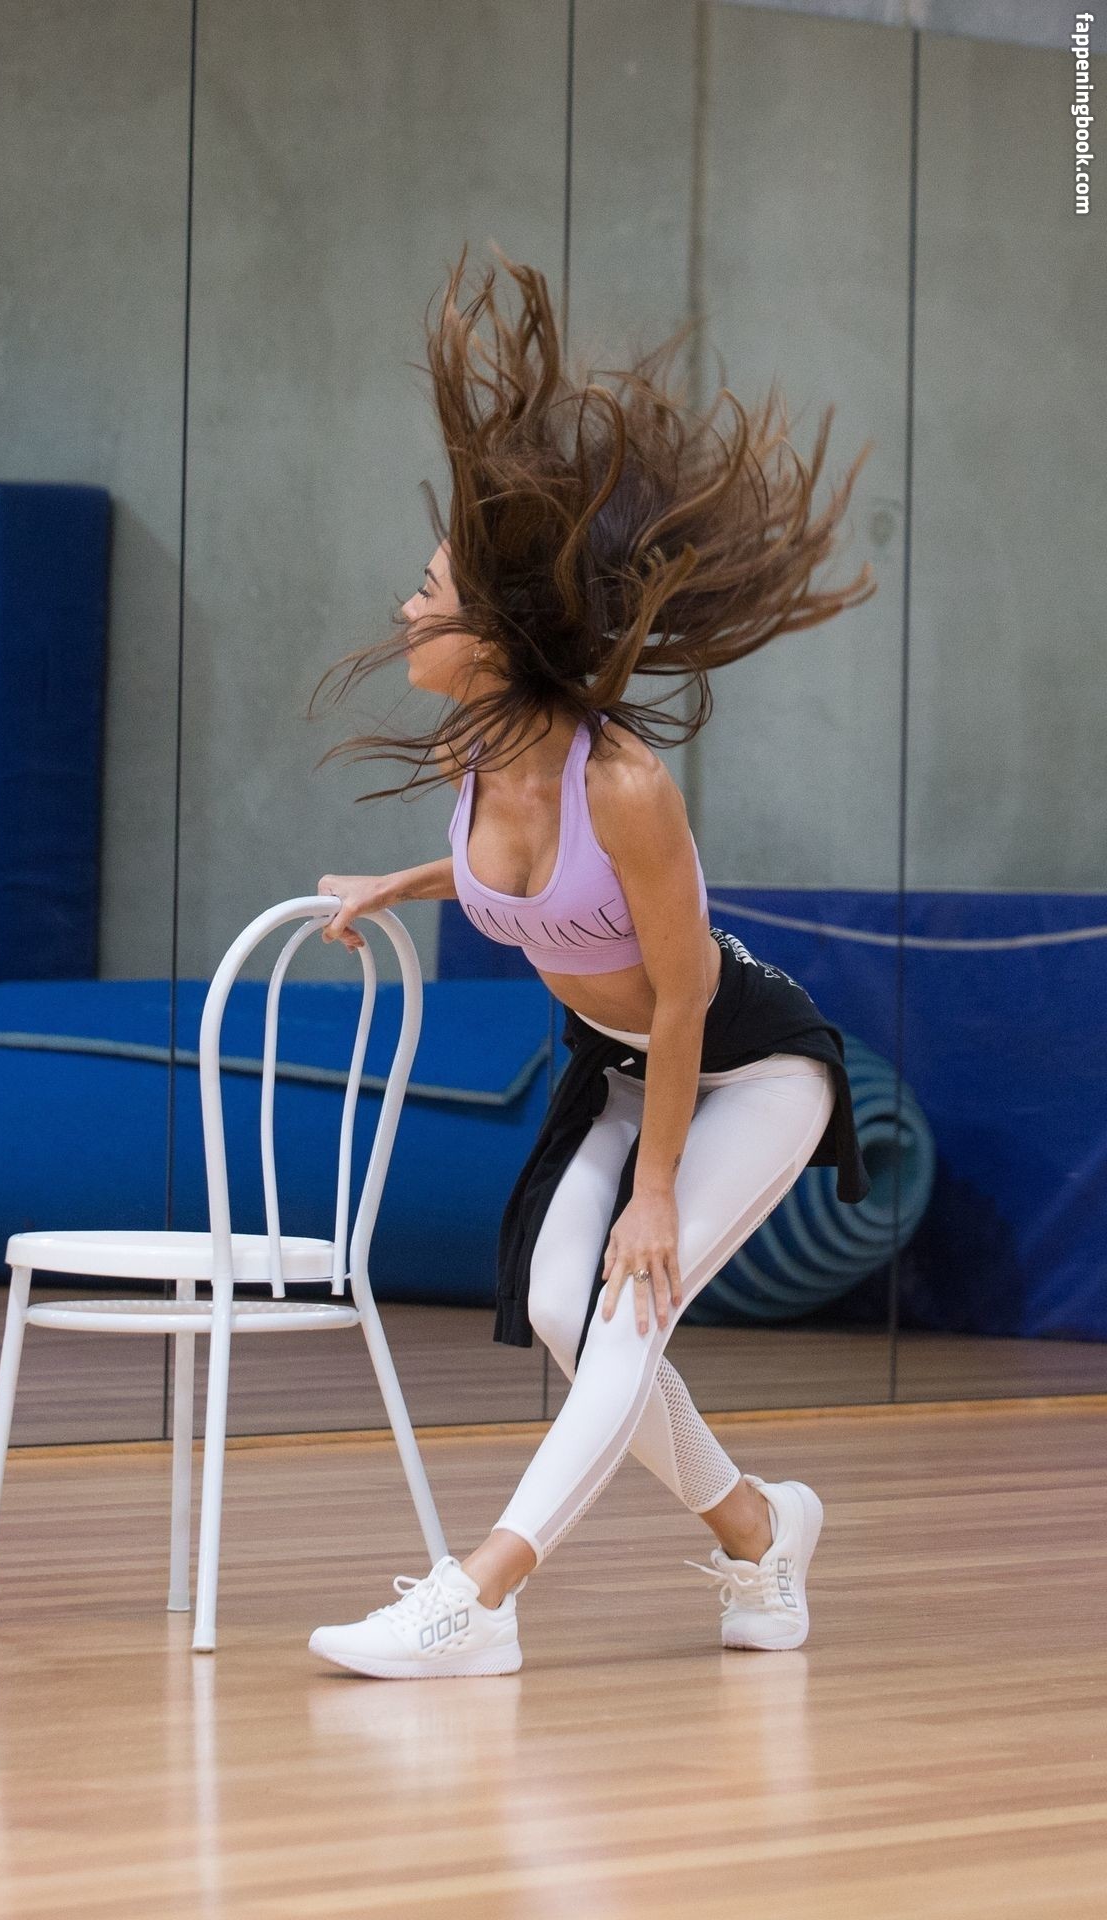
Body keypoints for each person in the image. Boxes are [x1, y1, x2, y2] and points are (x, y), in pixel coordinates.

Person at [302, 246, 875, 1679]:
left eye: (429, 590)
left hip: (747, 1067)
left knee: (626, 1308)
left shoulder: (623, 783)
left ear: (493, 637)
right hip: (618, 1067)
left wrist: (658, 1191)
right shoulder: (473, 745)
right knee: (566, 1308)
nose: (408, 606)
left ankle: (478, 1599)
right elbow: (518, 883)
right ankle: (762, 1533)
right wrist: (398, 880)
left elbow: (685, 992)